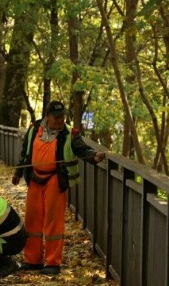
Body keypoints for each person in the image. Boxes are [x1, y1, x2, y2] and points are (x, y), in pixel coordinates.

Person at [11, 100, 105, 275]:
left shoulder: (70, 133)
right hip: (34, 178)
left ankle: (52, 262)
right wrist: (17, 173)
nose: (60, 120)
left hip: (55, 178)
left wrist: (94, 157)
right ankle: (33, 260)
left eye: (62, 117)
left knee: (53, 221)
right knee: (32, 219)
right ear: (47, 116)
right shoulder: (33, 129)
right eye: (56, 117)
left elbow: (82, 150)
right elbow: (25, 154)